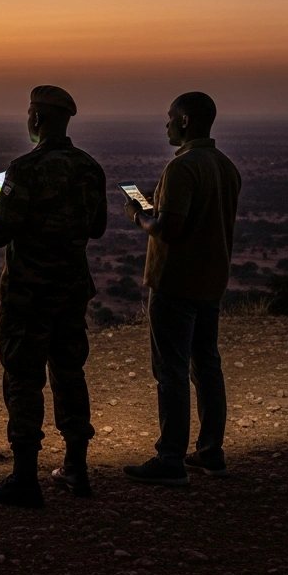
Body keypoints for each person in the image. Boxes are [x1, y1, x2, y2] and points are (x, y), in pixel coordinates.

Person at [0, 85, 107, 507]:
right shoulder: (90, 167)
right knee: (70, 372)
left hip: (28, 294)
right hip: (71, 289)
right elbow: (98, 227)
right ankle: (76, 468)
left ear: (37, 118)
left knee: (23, 376)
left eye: (30, 113)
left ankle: (25, 478)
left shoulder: (25, 169)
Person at [121, 91, 241, 486]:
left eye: (170, 116)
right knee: (206, 366)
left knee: (171, 369)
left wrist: (139, 215)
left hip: (175, 283)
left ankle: (170, 459)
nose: (166, 123)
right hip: (210, 282)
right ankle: (211, 453)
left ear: (186, 120)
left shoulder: (183, 168)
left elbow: (167, 230)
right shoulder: (225, 166)